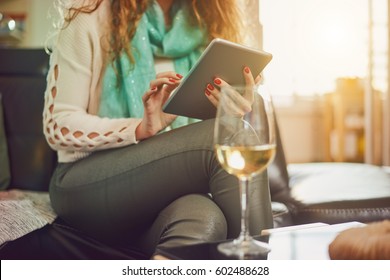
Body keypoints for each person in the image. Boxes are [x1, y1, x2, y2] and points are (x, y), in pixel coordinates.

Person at [43, 0, 273, 259]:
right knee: (233, 136)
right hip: (82, 181)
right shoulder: (88, 17)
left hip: (165, 189)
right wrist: (140, 128)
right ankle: (260, 266)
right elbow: (57, 126)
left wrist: (229, 111)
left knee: (204, 216)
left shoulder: (206, 23)